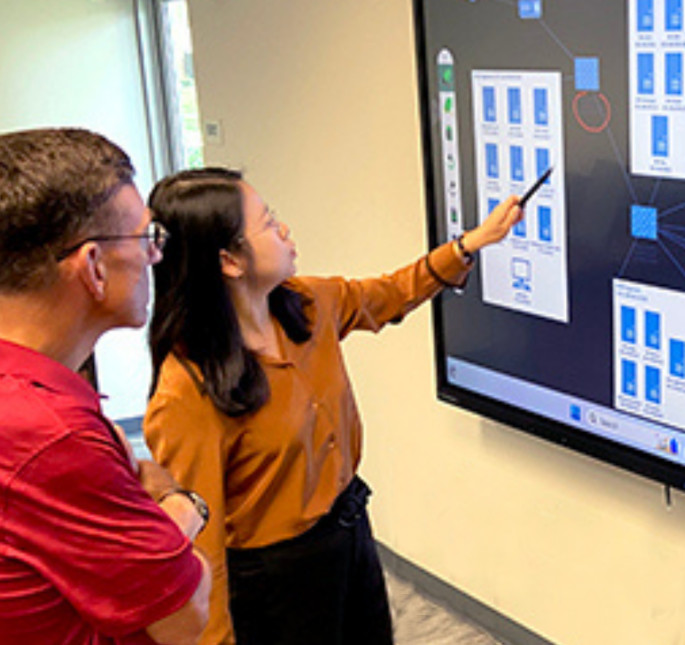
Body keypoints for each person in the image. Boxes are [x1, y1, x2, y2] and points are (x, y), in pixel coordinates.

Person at [143, 167, 523, 645]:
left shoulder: (307, 303)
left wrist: (471, 244)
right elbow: (201, 541)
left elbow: (389, 294)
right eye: (268, 223)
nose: (284, 230)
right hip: (275, 581)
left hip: (348, 535)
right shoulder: (185, 391)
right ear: (230, 261)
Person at [0, 128, 213, 644]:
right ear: (93, 266)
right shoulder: (51, 436)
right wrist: (182, 506)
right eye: (146, 238)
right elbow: (185, 615)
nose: (156, 257)